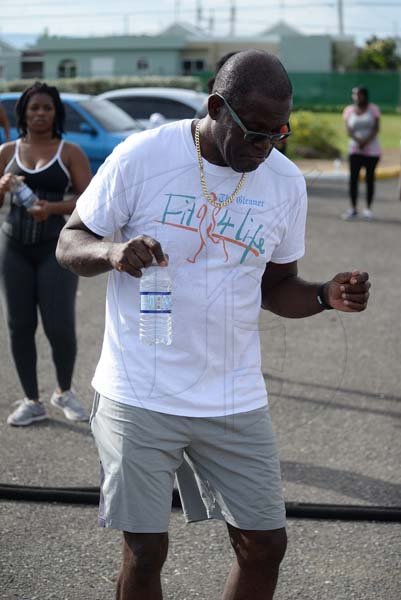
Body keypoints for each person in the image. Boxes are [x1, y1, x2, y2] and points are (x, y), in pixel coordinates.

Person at [56, 50, 371, 600]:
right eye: (256, 133)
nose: (267, 145)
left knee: (264, 545)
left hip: (233, 397)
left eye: (280, 133)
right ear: (217, 107)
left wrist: (324, 295)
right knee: (146, 550)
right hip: (140, 392)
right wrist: (111, 251)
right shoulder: (144, 156)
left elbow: (276, 286)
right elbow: (70, 242)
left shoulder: (284, 182)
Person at [0, 82, 92, 426]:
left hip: (56, 247)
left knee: (60, 325)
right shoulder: (7, 151)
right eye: (33, 107)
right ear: (23, 112)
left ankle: (64, 392)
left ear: (56, 113)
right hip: (14, 247)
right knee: (19, 326)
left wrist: (53, 207)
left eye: (47, 108)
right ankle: (31, 400)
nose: (40, 114)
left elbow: (89, 201)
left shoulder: (70, 152)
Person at [342, 86, 381, 220]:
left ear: (364, 95)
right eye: (354, 94)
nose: (356, 97)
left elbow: (376, 128)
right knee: (353, 179)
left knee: (370, 179)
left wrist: (366, 141)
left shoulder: (373, 110)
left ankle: (368, 209)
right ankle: (353, 208)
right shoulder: (349, 110)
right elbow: (348, 129)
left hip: (372, 151)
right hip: (355, 150)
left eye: (359, 94)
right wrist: (358, 141)